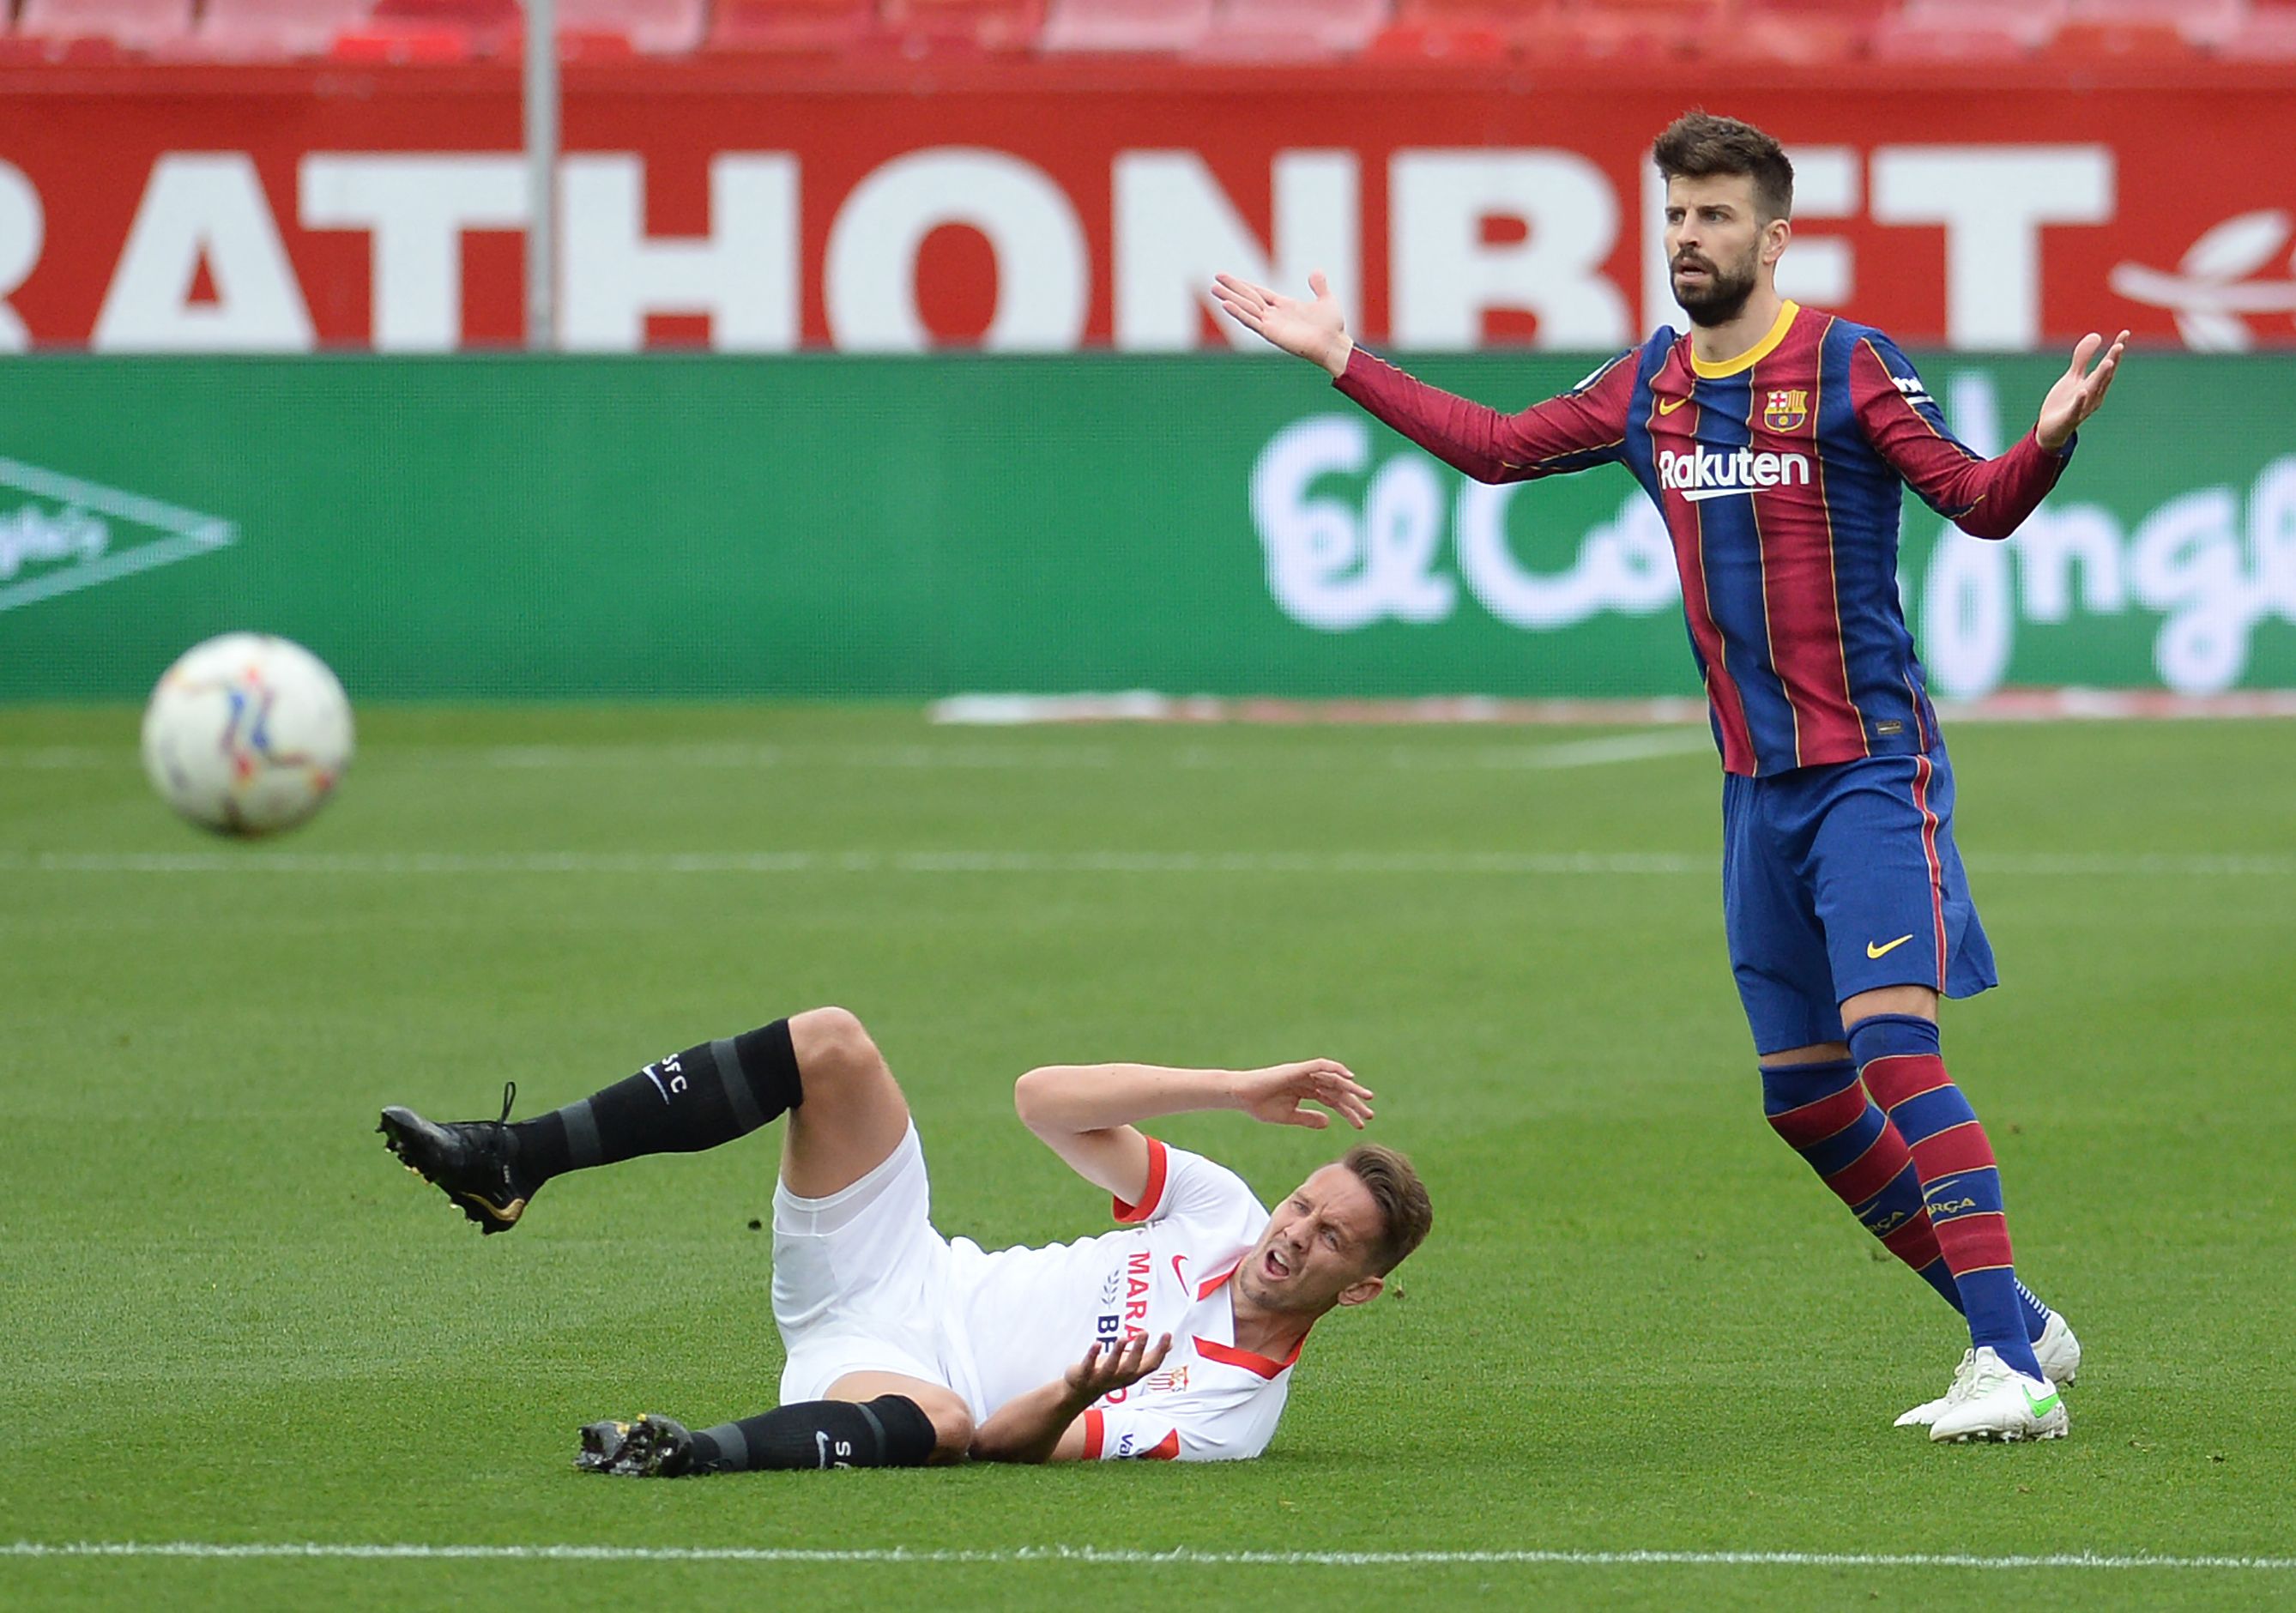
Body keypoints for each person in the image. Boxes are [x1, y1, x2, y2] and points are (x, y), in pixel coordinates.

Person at [1214, 110, 2124, 1444]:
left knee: (1890, 1045)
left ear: (1775, 234)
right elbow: (1495, 445)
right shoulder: (1653, 383)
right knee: (1805, 1096)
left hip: (1869, 768)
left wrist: (2044, 443)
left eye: (1713, 216)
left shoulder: (1849, 361)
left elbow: (1977, 503)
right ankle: (2016, 1317)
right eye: (1675, 217)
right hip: (1755, 793)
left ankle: (2015, 1373)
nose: (1688, 238)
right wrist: (1344, 359)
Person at [378, 1006, 1432, 1471]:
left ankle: (688, 1450)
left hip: (890, 1375)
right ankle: (515, 1155)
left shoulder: (1229, 1414)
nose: (1294, 1233)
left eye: (1332, 1239)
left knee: (947, 1420)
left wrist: (1077, 1387)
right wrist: (1236, 1089)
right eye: (1304, 1204)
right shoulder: (1221, 1213)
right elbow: (1042, 1099)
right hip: (899, 1262)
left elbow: (1012, 1443)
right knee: (832, 1043)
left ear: (1358, 1291)